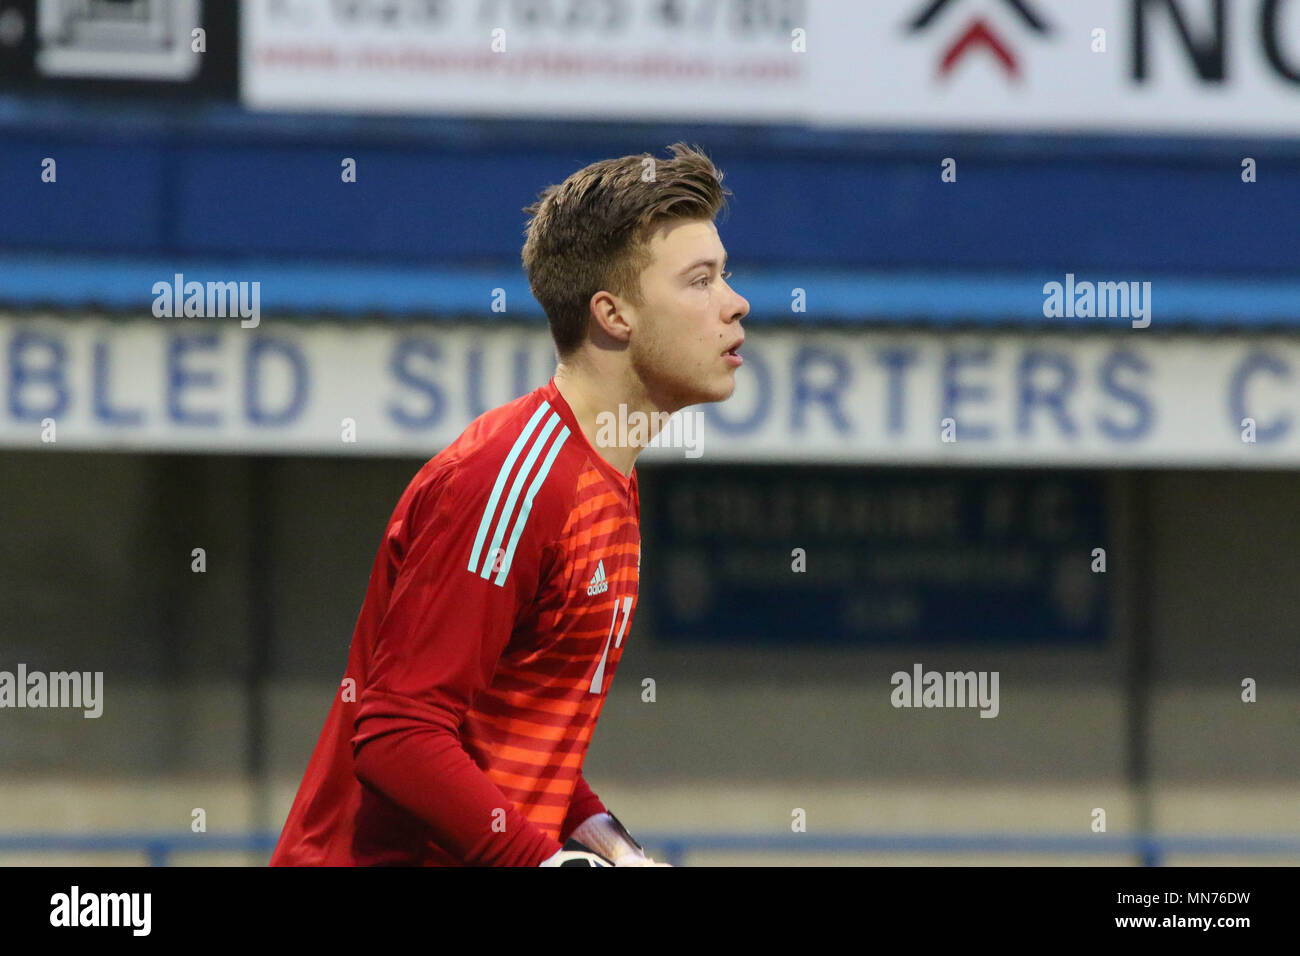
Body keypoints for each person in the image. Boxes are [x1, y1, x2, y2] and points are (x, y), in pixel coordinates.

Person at [270, 142, 749, 866]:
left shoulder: (605, 476)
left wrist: (612, 847)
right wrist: (540, 861)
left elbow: (513, 732)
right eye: (700, 280)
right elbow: (399, 732)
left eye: (726, 275)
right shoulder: (511, 478)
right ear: (613, 315)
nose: (735, 301)